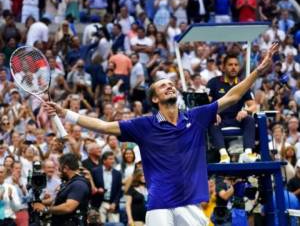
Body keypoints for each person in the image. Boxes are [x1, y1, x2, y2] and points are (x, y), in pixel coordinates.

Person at [44, 43, 278, 226]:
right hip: (159, 204)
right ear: (155, 98)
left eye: (171, 84)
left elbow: (232, 97)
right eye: (163, 85)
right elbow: (104, 127)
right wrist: (66, 114)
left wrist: (257, 71)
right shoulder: (144, 125)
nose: (169, 86)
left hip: (189, 203)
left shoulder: (195, 117)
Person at [207, 54, 258, 163]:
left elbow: (254, 106)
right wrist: (212, 113)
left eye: (236, 65)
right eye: (230, 65)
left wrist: (246, 111)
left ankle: (248, 153)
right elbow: (206, 103)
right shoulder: (214, 83)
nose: (233, 67)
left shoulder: (242, 84)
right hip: (219, 120)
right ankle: (224, 155)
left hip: (237, 119)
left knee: (250, 119)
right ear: (223, 67)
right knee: (211, 120)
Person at [33, 153, 91, 226]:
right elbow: (57, 200)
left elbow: (68, 207)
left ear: (65, 168)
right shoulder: (68, 183)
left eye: (59, 167)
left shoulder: (78, 184)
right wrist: (40, 202)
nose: (58, 171)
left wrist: (46, 209)